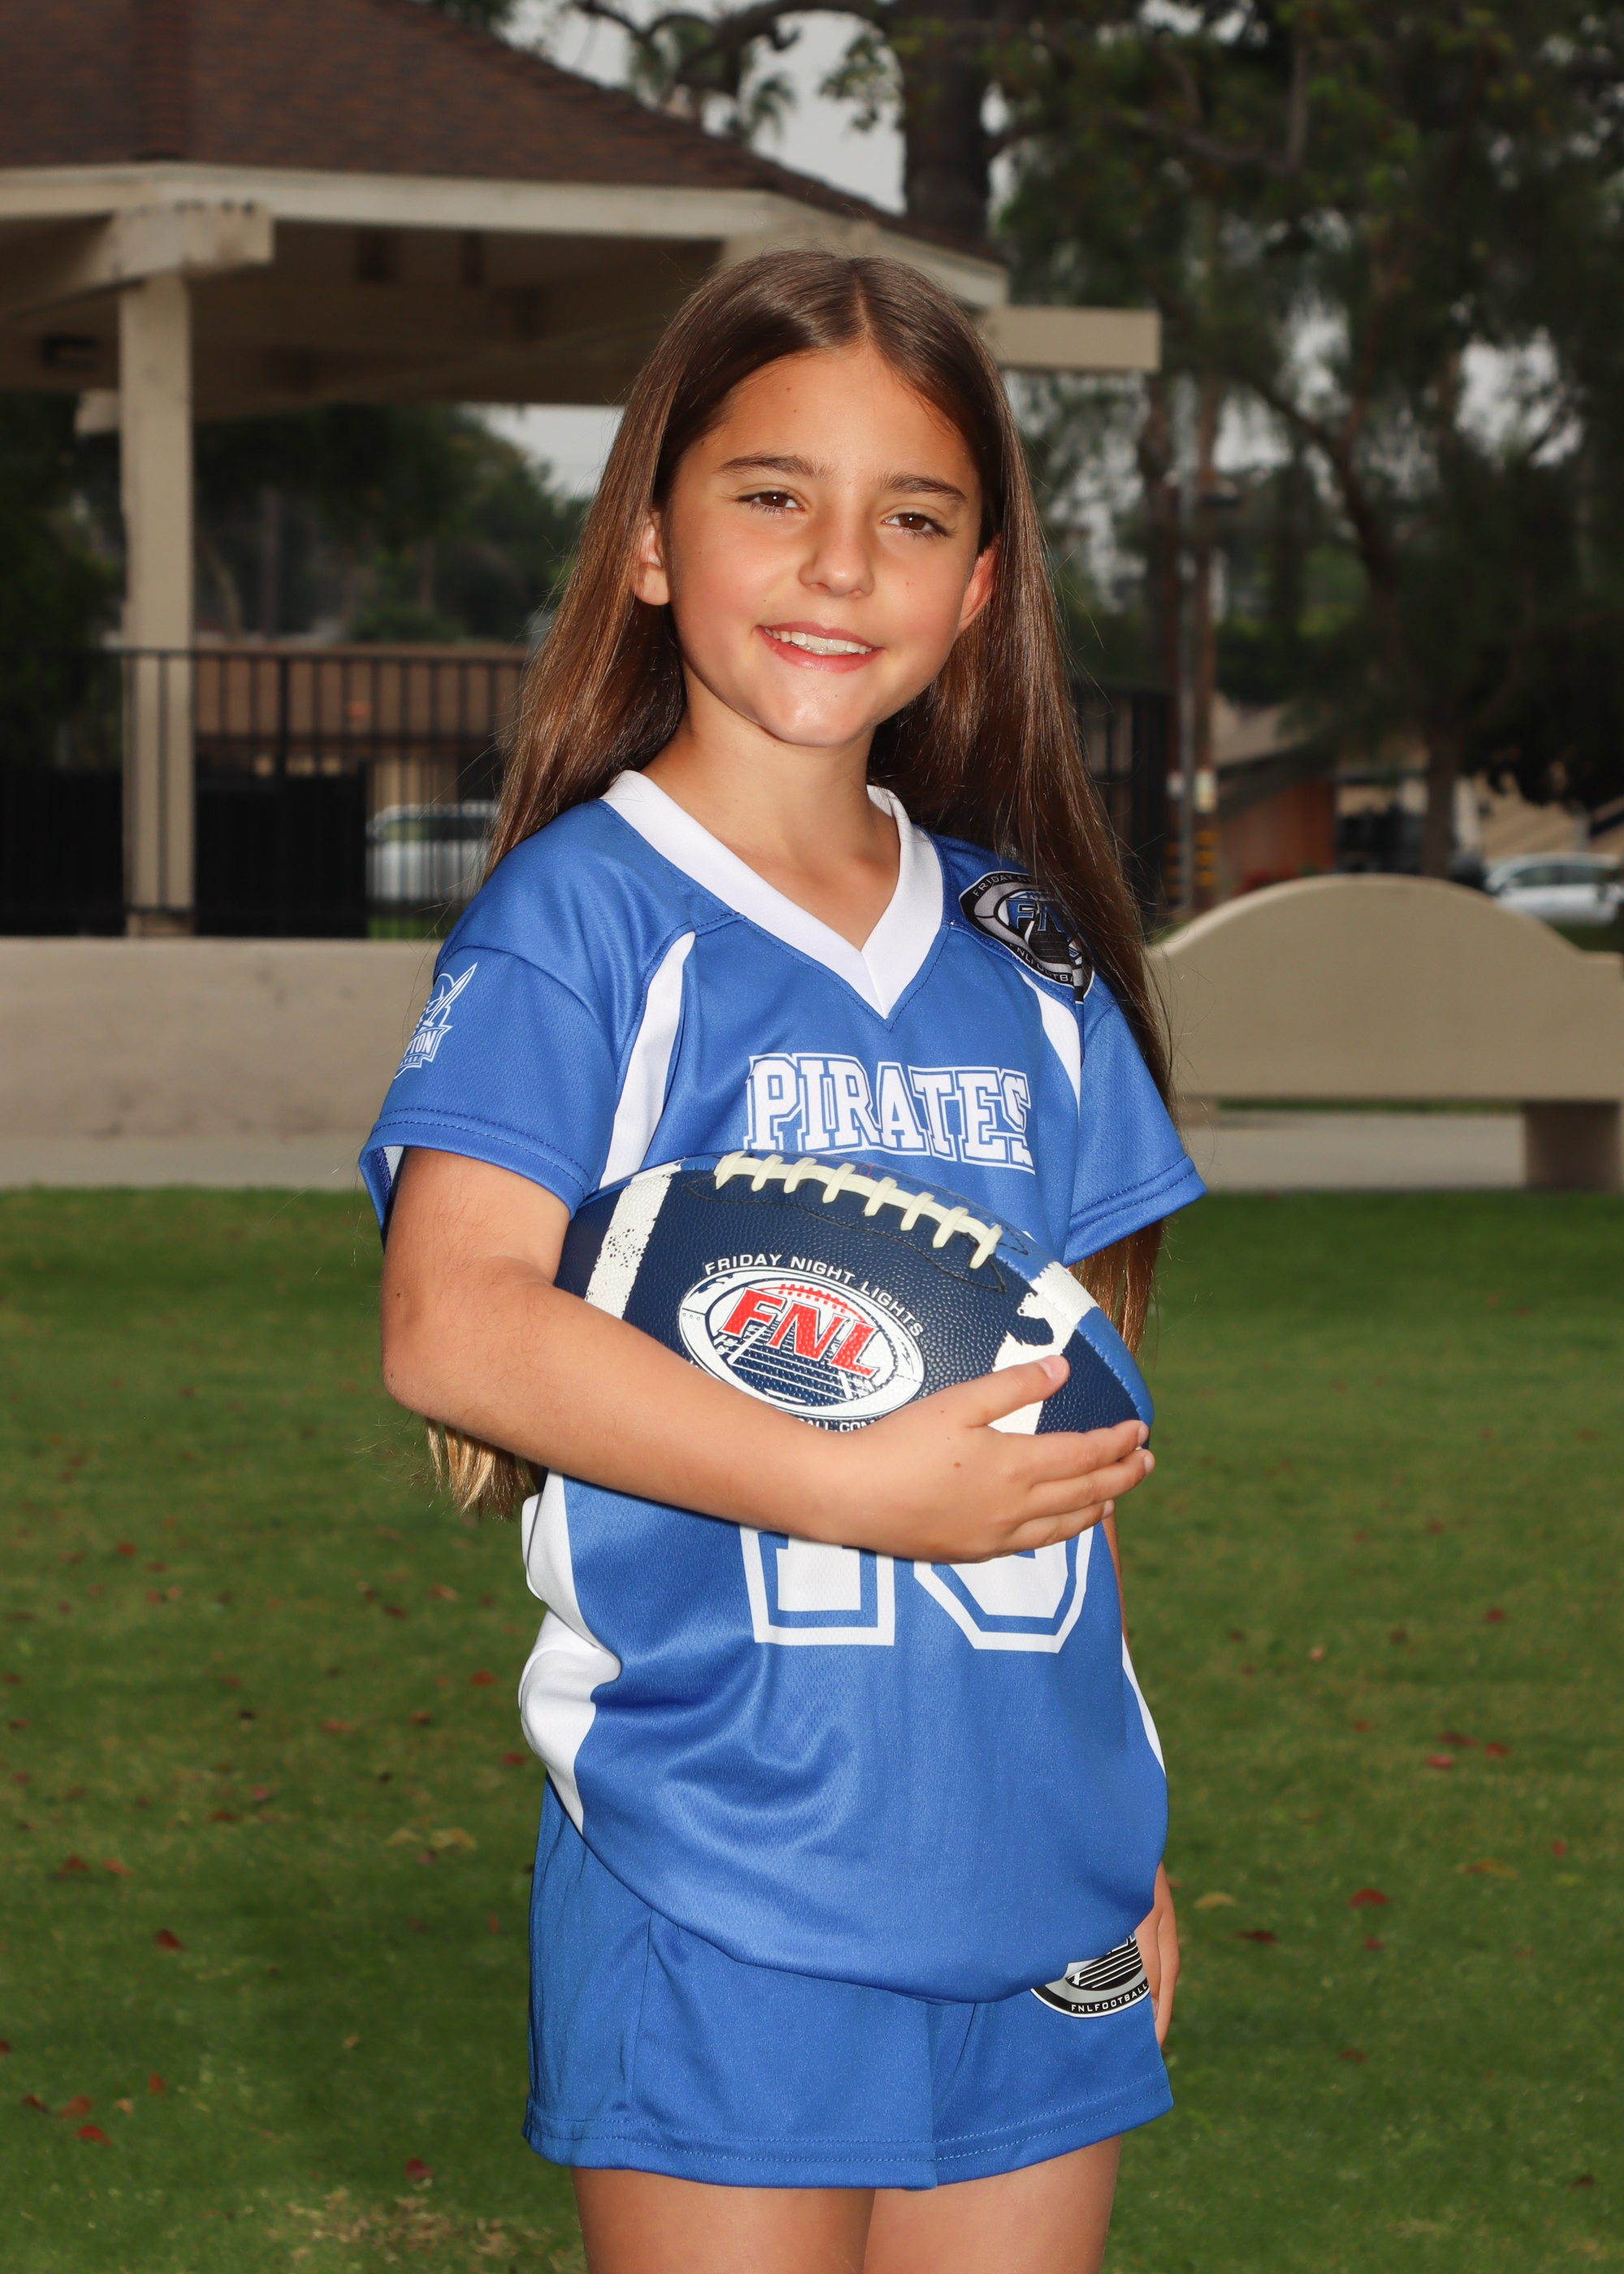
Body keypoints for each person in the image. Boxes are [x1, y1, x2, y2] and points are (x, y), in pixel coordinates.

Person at [361, 250, 1204, 2274]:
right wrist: (851, 1486)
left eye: (910, 517)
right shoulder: (583, 917)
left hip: (1030, 1868)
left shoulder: (1025, 955)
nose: (839, 563)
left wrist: (1123, 1812)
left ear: (978, 584)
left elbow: (1063, 1441)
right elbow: (452, 1323)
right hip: (718, 1853)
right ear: (651, 539)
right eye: (771, 495)